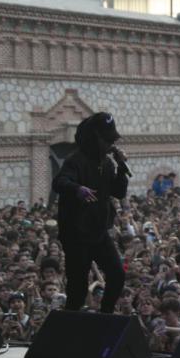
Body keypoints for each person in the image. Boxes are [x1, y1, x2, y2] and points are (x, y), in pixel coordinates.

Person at [52, 112, 129, 314]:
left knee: (118, 274)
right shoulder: (75, 161)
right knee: (77, 290)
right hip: (77, 236)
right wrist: (78, 189)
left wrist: (121, 167)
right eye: (107, 140)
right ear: (95, 138)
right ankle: (70, 329)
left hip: (99, 232)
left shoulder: (107, 163)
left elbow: (118, 191)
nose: (110, 145)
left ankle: (105, 315)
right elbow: (59, 182)